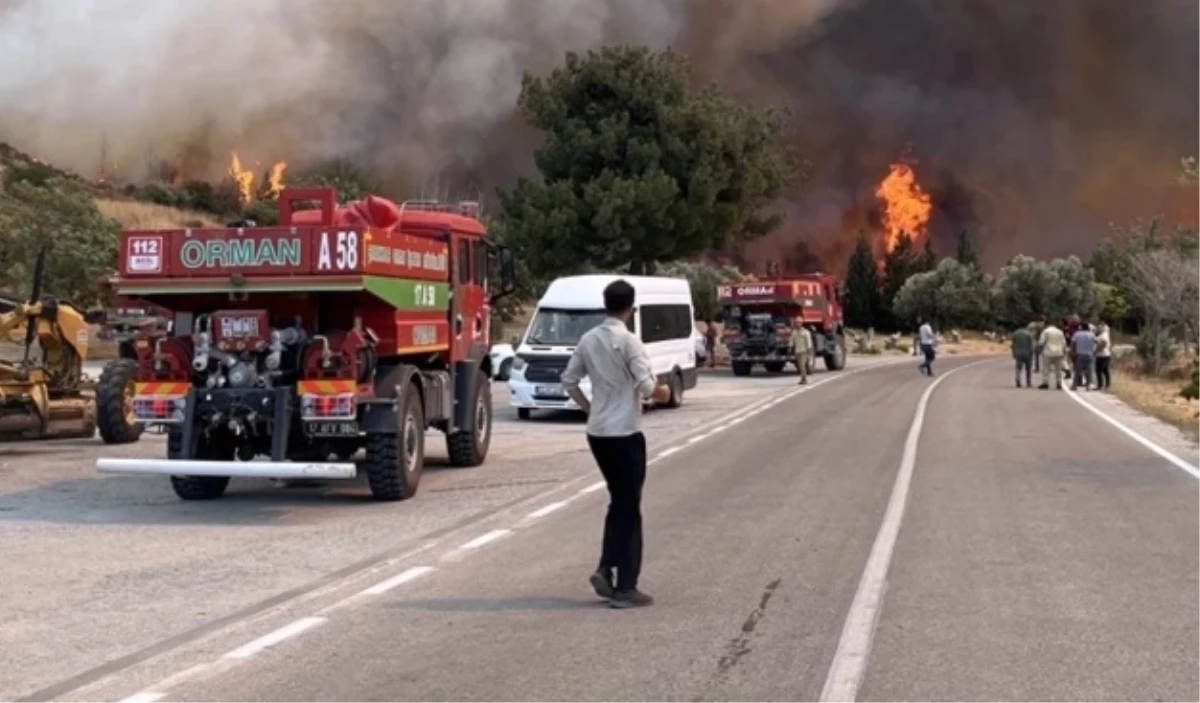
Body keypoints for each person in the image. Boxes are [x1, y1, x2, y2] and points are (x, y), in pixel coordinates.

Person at [562, 279, 671, 609]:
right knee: (630, 508)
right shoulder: (629, 342)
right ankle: (626, 586)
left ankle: (606, 567)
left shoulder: (588, 339)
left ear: (605, 305)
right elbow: (648, 388)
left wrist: (590, 410)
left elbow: (569, 381)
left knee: (618, 502)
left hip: (598, 433)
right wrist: (665, 392)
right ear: (631, 308)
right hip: (625, 433)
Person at [1037, 319, 1067, 390]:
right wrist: (1063, 351)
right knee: (1058, 369)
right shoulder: (1060, 332)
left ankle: (1045, 383)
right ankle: (1059, 383)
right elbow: (1063, 343)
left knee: (1046, 369)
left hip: (1048, 352)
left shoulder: (1046, 331)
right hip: (1059, 352)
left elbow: (1041, 342)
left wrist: (1040, 346)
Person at [1071, 318, 1096, 391]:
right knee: (1089, 371)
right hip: (1089, 355)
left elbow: (1073, 343)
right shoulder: (1092, 335)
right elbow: (1098, 342)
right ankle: (1088, 386)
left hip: (1079, 354)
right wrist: (1095, 350)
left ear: (1081, 327)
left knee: (1078, 371)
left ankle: (1074, 386)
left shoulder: (1077, 334)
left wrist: (1073, 352)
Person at [1011, 323, 1034, 388]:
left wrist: (1013, 353)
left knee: (1018, 367)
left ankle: (1018, 378)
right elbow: (1031, 345)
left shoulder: (1015, 333)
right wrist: (1032, 353)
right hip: (1027, 352)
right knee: (1028, 368)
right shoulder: (1029, 334)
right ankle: (1028, 382)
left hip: (1018, 352)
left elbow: (1013, 345)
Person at [793, 320, 814, 385]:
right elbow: (792, 340)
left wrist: (809, 351)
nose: (797, 324)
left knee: (802, 365)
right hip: (797, 351)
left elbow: (809, 342)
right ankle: (802, 379)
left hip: (804, 351)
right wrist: (790, 347)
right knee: (800, 366)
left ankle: (804, 379)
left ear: (801, 324)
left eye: (798, 323)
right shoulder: (794, 332)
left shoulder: (806, 332)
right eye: (796, 323)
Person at [1095, 322, 1112, 390]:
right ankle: (1107, 384)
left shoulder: (1104, 335)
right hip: (1106, 354)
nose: (1098, 328)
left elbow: (1104, 343)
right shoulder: (1104, 334)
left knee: (1099, 371)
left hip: (1102, 355)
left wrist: (1097, 350)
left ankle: (1100, 385)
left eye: (1099, 327)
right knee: (1105, 370)